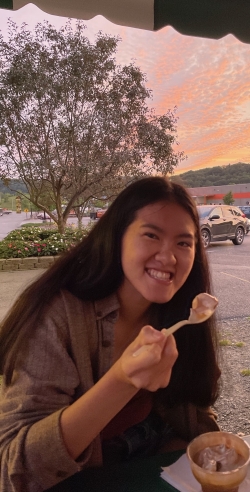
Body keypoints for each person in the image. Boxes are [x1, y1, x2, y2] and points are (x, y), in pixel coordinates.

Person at [0, 177, 221, 492]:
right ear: (118, 237)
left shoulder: (182, 312)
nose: (169, 257)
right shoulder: (57, 315)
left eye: (183, 243)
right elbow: (16, 472)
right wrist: (122, 380)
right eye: (151, 235)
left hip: (155, 450)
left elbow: (194, 406)